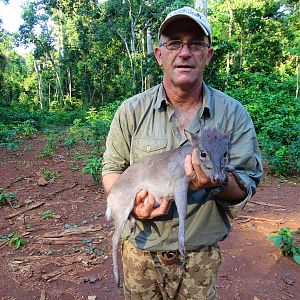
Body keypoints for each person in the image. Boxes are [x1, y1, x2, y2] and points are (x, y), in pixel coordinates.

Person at [102, 6, 263, 300]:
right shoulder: (131, 110)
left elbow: (246, 185)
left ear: (208, 55)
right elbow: (112, 169)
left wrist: (214, 180)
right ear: (159, 54)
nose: (185, 52)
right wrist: (135, 206)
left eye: (195, 44)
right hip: (140, 250)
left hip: (199, 257)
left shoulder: (233, 114)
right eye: (174, 43)